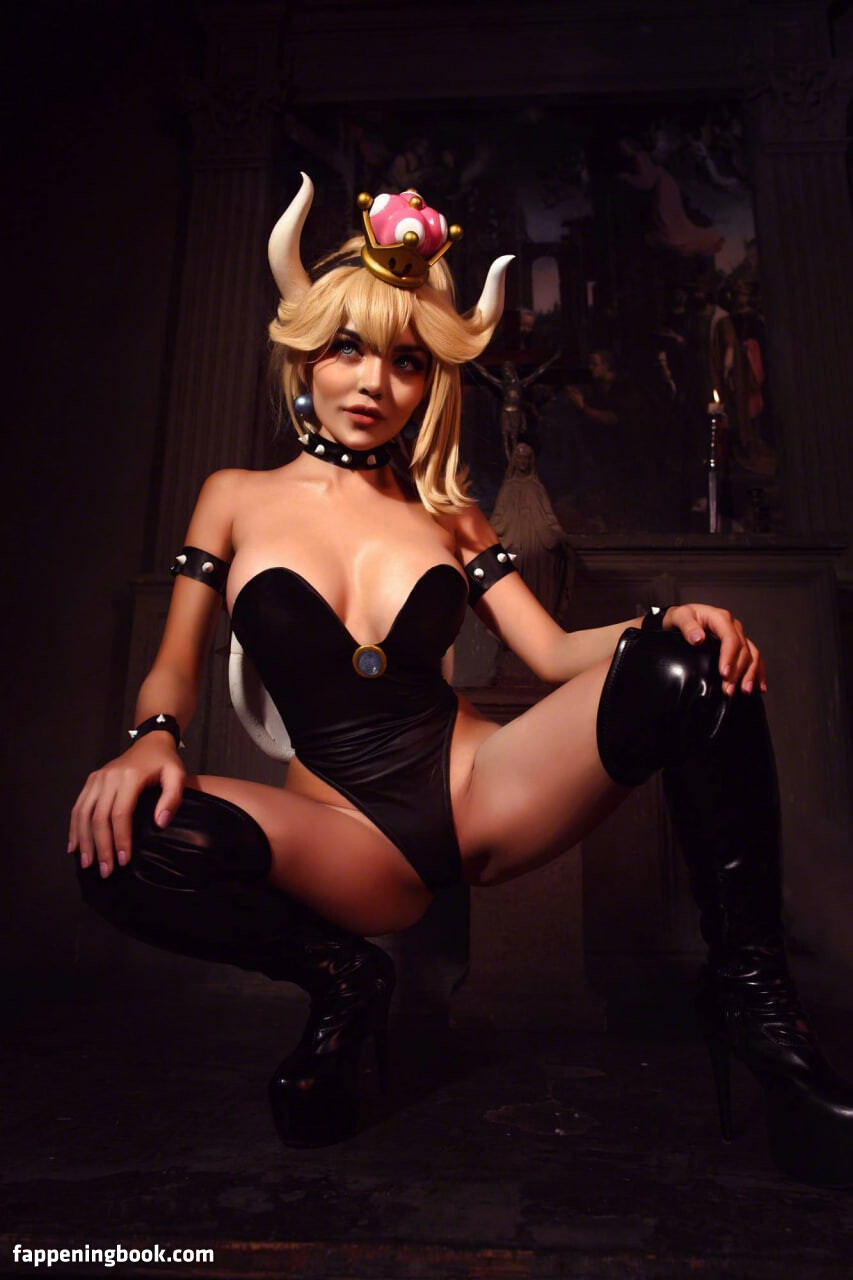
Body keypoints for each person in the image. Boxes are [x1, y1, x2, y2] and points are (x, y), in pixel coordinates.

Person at [69, 175, 853, 1183]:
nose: (372, 382)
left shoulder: (451, 513)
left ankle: (756, 1010)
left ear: (429, 380)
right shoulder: (233, 497)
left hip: (479, 785)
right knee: (122, 839)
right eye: (347, 348)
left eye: (405, 360)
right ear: (304, 353)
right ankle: (343, 979)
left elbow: (551, 653)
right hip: (342, 829)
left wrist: (667, 622)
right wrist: (152, 739)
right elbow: (175, 662)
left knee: (693, 667)